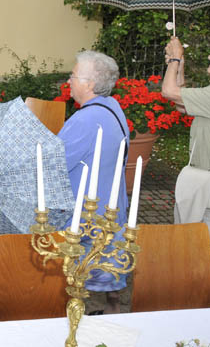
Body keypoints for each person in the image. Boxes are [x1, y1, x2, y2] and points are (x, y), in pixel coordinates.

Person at [57, 50, 129, 314]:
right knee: (107, 267)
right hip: (111, 206)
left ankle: (79, 318)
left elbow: (56, 164)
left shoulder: (85, 119)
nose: (68, 81)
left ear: (89, 83)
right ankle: (112, 308)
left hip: (87, 215)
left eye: (73, 75)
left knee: (78, 282)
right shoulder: (113, 107)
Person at [162, 36, 210, 269]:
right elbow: (182, 105)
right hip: (205, 179)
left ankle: (203, 288)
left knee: (205, 246)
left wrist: (174, 58)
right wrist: (180, 66)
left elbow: (168, 92)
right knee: (199, 240)